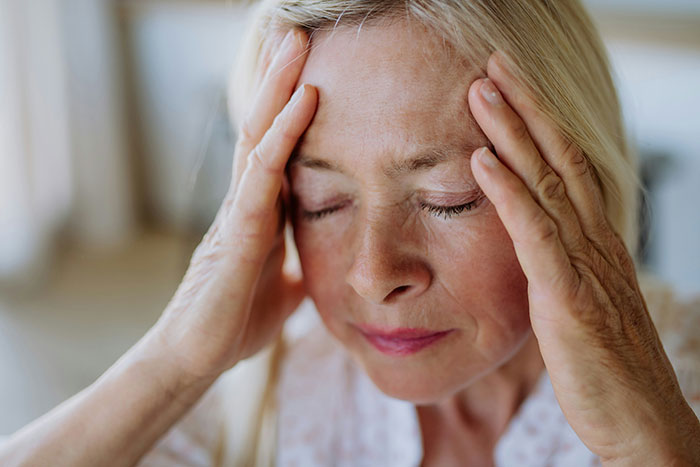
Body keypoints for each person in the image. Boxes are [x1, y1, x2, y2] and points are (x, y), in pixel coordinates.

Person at [1, 0, 699, 465]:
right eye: (322, 200)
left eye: (447, 199)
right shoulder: (274, 391)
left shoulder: (682, 387)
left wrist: (653, 443)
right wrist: (174, 364)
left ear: (580, 184)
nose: (372, 272)